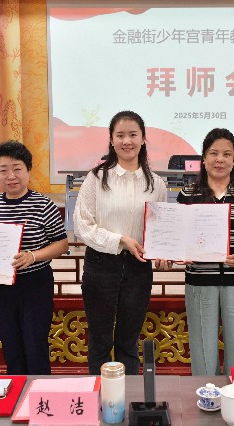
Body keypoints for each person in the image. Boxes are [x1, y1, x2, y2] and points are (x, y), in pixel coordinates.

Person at [74, 110, 167, 375]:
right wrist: (120, 240)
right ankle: (101, 398)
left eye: (133, 135)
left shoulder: (156, 184)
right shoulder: (96, 178)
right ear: (111, 140)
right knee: (100, 342)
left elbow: (161, 228)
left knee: (129, 343)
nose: (127, 141)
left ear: (143, 139)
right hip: (101, 265)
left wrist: (163, 252)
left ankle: (130, 397)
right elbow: (82, 225)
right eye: (120, 135)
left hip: (138, 268)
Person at [177, 128, 234, 376]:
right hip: (199, 280)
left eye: (227, 154)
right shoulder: (188, 194)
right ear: (204, 158)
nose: (220, 159)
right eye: (214, 153)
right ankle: (205, 396)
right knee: (202, 351)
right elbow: (179, 236)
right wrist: (179, 253)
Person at [0, 141, 69, 374]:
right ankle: (17, 392)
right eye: (3, 170)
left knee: (35, 345)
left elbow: (61, 244)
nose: (11, 176)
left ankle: (39, 393)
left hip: (35, 284)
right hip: (3, 286)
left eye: (17, 168)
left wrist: (33, 256)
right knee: (11, 346)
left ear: (28, 170)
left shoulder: (44, 205)